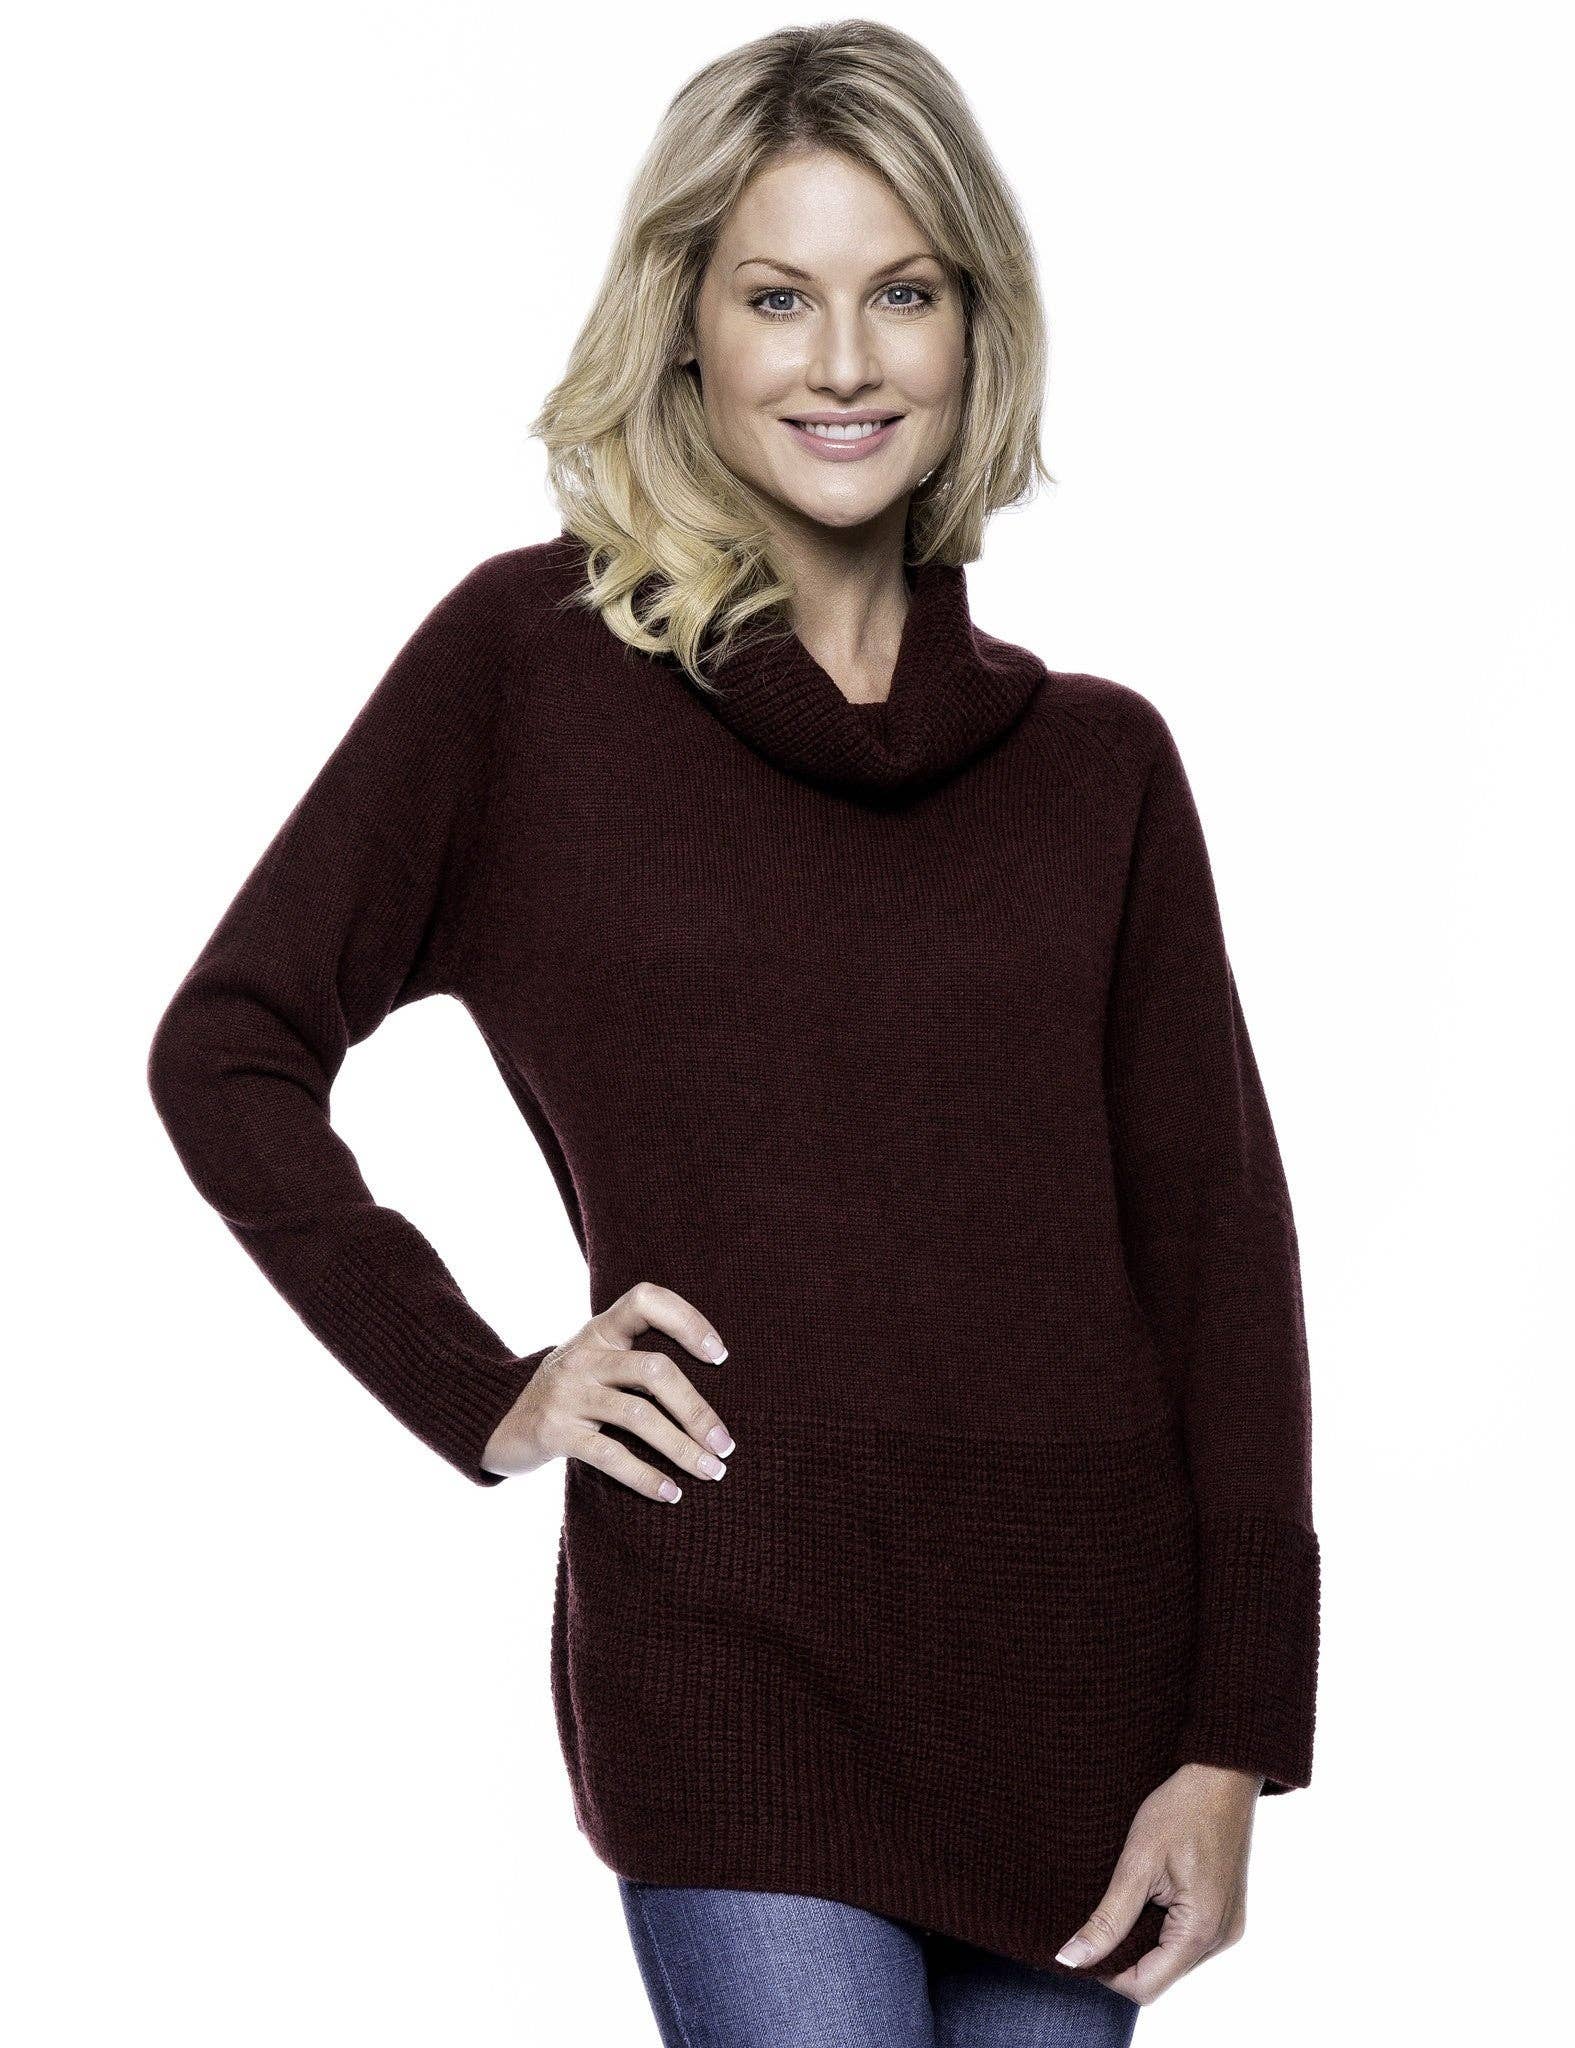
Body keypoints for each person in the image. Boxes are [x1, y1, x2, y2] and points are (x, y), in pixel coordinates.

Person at [146, 21, 1319, 2045]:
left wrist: (1235, 1735)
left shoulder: (1099, 768)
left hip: (1080, 1684)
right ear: (683, 324)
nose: (842, 361)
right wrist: (487, 1388)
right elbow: (229, 1044)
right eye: (777, 296)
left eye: (902, 293)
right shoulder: (531, 673)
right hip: (735, 1648)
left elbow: (1218, 1267)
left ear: (977, 326)